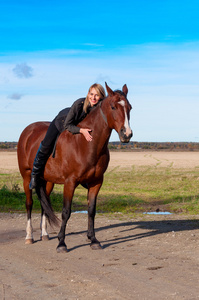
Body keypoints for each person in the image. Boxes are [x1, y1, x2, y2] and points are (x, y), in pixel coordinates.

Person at [29, 83, 106, 189]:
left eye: (97, 95)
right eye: (91, 94)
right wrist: (81, 130)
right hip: (62, 122)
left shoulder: (99, 109)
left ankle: (83, 176)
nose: (93, 97)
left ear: (101, 96)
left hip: (78, 128)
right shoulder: (79, 104)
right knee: (46, 145)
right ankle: (35, 175)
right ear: (88, 94)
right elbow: (67, 125)